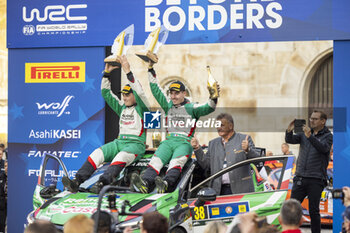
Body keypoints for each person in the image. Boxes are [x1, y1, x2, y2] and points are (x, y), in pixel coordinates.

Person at [63, 55, 150, 193]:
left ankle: (102, 184)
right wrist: (107, 73)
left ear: (135, 96)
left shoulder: (143, 108)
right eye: (123, 95)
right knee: (96, 153)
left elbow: (139, 91)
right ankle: (76, 181)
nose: (124, 97)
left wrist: (127, 71)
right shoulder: (122, 107)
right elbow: (105, 93)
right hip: (119, 142)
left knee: (120, 157)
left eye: (128, 95)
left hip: (135, 145)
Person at [131, 62, 218, 194]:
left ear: (184, 93)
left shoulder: (192, 107)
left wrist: (214, 97)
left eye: (176, 93)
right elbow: (155, 89)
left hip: (184, 142)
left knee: (176, 162)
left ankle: (166, 184)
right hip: (168, 141)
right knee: (155, 161)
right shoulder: (168, 104)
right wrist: (150, 69)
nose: (173, 96)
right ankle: (145, 183)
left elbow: (209, 107)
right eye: (171, 93)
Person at [285, 110, 333, 233]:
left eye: (315, 119)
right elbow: (290, 140)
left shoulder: (328, 136)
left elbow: (323, 148)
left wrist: (310, 137)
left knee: (313, 211)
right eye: (311, 118)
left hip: (316, 179)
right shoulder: (304, 134)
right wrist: (289, 130)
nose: (311, 121)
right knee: (291, 208)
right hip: (300, 177)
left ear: (323, 121)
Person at [191, 113, 259, 195]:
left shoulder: (244, 139)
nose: (219, 128)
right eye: (217, 125)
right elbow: (206, 165)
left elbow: (257, 160)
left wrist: (248, 150)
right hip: (219, 191)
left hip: (241, 191)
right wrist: (197, 148)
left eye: (222, 125)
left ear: (230, 126)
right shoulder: (213, 143)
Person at [0, 161, 7, 233]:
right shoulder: (1, 176)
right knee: (2, 223)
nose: (6, 168)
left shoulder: (15, 178)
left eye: (8, 166)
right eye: (5, 166)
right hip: (2, 204)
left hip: (12, 204)